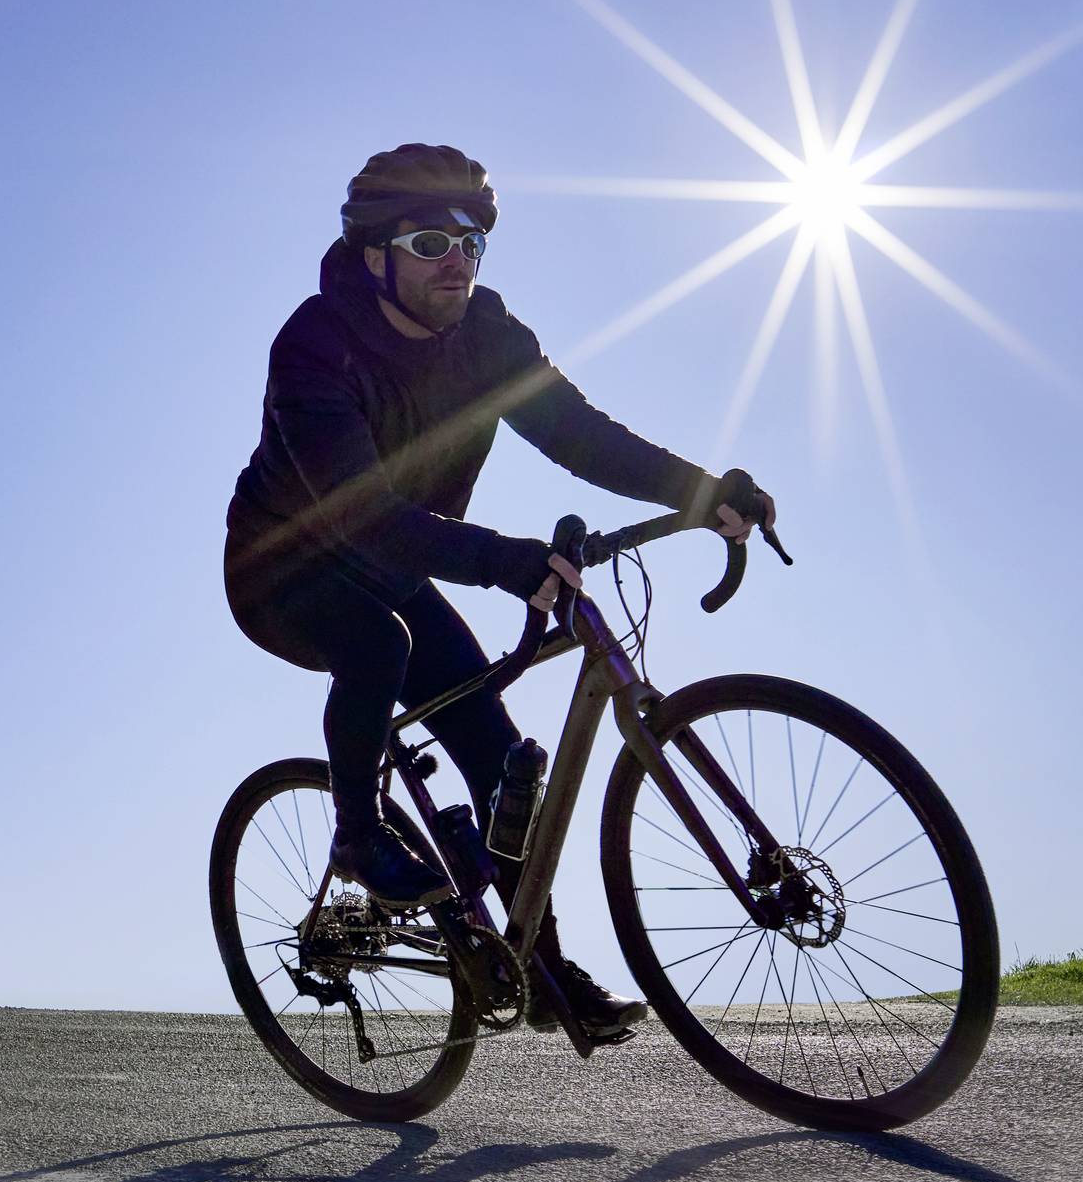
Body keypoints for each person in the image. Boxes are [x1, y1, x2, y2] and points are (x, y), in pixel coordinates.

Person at [224, 142, 775, 1046]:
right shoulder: (314, 346)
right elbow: (365, 514)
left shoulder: (485, 333)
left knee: (501, 754)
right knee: (376, 645)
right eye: (431, 242)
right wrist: (507, 562)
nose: (459, 262)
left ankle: (539, 969)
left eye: (472, 243)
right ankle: (357, 835)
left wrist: (701, 490)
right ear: (375, 255)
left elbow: (579, 433)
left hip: (396, 566)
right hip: (283, 569)